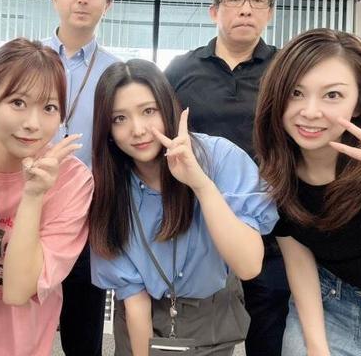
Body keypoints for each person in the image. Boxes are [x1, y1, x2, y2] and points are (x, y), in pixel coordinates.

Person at [253, 28, 361, 355]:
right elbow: (299, 259)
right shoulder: (275, 173)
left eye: (332, 95)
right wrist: (317, 346)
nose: (310, 111)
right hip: (330, 303)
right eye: (296, 92)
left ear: (359, 103)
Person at [89, 59, 278, 356]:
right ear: (107, 129)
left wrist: (201, 184)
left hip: (211, 317)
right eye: (119, 119)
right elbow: (135, 302)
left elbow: (249, 265)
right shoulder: (110, 187)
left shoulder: (220, 157)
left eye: (148, 111)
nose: (137, 130)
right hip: (140, 320)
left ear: (167, 107)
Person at [165, 0, 289, 355]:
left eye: (258, 1)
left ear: (270, 12)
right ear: (215, 10)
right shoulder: (181, 69)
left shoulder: (286, 70)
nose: (247, 9)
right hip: (201, 228)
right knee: (205, 337)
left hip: (270, 229)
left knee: (267, 334)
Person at [0, 38, 94, 356]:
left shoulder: (72, 180)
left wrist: (33, 194)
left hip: (22, 343)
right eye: (18, 102)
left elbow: (17, 291)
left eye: (49, 108)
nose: (32, 124)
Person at [43, 0, 119, 355]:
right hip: (24, 208)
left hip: (89, 216)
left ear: (108, 2)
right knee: (14, 317)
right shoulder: (26, 58)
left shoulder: (116, 73)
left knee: (83, 328)